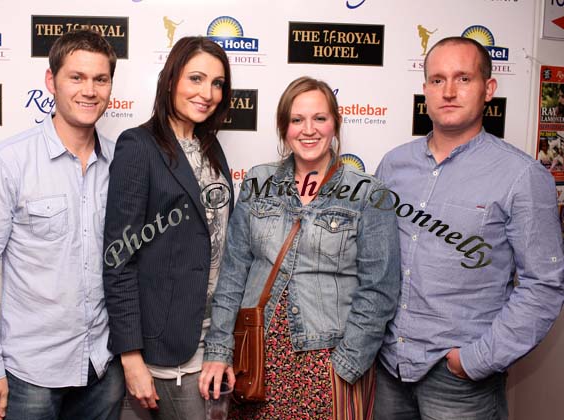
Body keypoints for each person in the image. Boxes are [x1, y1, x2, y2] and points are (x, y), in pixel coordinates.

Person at [374, 36, 564, 420]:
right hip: (390, 369)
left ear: (488, 89)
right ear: (425, 89)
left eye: (463, 78)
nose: (448, 91)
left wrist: (474, 361)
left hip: (460, 383)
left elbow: (543, 285)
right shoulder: (393, 166)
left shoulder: (522, 175)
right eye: (437, 79)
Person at [199, 76, 401, 419]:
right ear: (283, 129)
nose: (309, 130)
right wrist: (219, 350)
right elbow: (233, 274)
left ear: (335, 124)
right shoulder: (258, 182)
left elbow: (379, 289)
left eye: (319, 118)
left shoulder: (369, 193)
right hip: (259, 361)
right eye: (297, 120)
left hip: (330, 361)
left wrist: (347, 364)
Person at [0, 29, 125, 420]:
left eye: (100, 79)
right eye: (77, 77)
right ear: (51, 81)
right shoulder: (8, 161)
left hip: (103, 368)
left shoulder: (121, 164)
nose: (89, 90)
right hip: (30, 374)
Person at [102, 36, 233, 420]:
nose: (207, 93)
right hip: (162, 352)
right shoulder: (138, 146)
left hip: (212, 343)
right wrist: (131, 359)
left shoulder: (211, 147)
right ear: (171, 79)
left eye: (217, 83)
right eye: (195, 78)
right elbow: (118, 260)